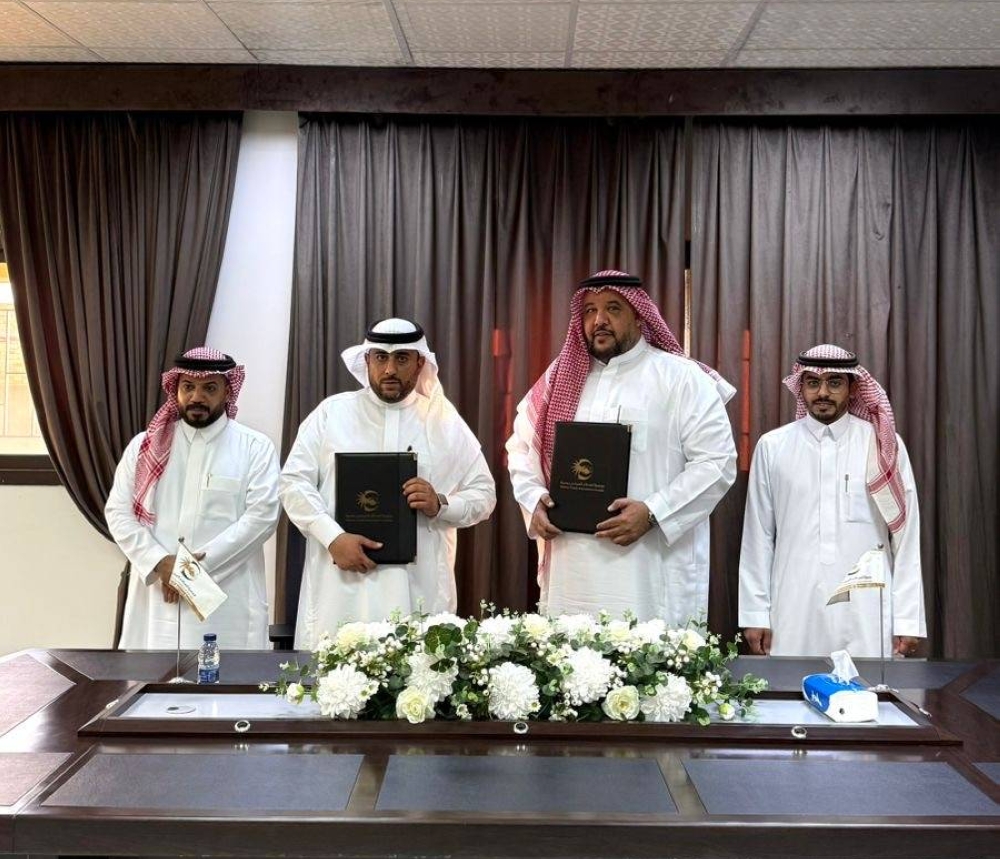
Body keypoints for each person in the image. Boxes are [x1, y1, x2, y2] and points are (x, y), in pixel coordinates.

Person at [506, 271, 737, 624]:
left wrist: (654, 512)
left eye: (613, 308)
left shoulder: (681, 377)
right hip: (573, 568)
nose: (599, 320)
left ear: (639, 315)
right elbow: (521, 450)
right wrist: (534, 499)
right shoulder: (559, 379)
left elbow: (717, 462)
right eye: (589, 310)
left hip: (649, 569)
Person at [280, 318, 496, 649]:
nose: (390, 369)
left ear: (420, 363)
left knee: (415, 675)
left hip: (416, 592)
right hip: (340, 588)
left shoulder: (443, 421)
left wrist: (441, 504)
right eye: (380, 357)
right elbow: (293, 483)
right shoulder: (331, 414)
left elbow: (484, 494)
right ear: (367, 360)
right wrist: (332, 537)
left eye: (402, 359)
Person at [738, 343, 926, 658]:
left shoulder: (882, 445)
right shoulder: (772, 447)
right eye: (813, 382)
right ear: (801, 388)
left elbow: (906, 537)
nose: (822, 392)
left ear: (852, 388)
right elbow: (758, 538)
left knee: (868, 689)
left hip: (868, 611)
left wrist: (908, 618)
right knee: (791, 687)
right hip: (793, 608)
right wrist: (755, 614)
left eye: (834, 382)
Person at [106, 346, 281, 651]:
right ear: (175, 389)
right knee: (152, 676)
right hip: (157, 598)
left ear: (228, 391)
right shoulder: (144, 446)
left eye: (209, 388)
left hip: (226, 598)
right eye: (188, 387)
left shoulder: (255, 447)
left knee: (228, 676)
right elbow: (119, 513)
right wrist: (161, 563)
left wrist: (188, 572)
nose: (197, 397)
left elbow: (262, 518)